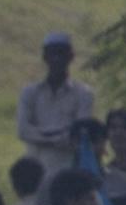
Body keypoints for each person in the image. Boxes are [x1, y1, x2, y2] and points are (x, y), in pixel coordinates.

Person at [15, 32, 95, 174]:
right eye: (52, 54)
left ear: (70, 57)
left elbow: (79, 133)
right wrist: (55, 138)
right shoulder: (30, 92)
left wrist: (42, 136)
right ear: (45, 57)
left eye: (61, 54)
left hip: (68, 167)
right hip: (35, 169)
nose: (57, 59)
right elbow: (23, 130)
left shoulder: (83, 93)